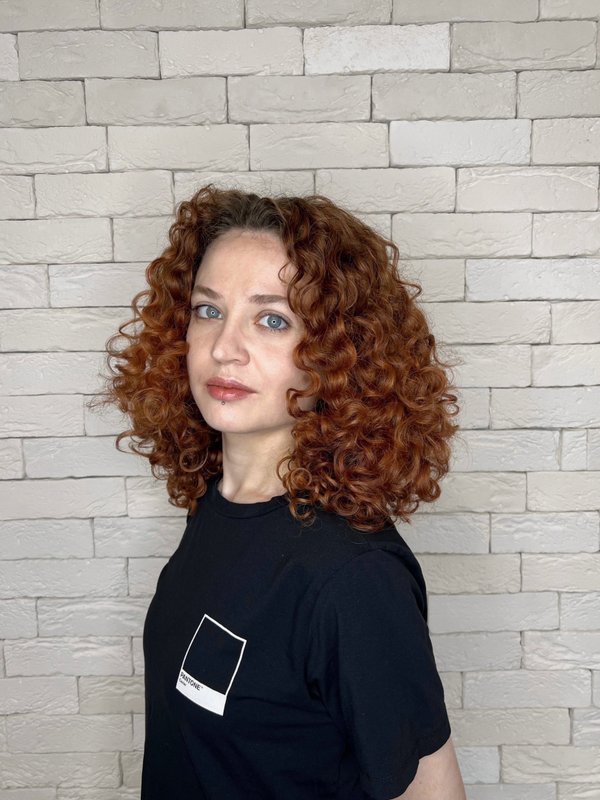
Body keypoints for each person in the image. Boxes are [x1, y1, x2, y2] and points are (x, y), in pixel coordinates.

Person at [89, 184, 466, 799]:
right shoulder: (218, 504)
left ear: (338, 354)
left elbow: (433, 791)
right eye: (208, 310)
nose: (224, 348)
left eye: (272, 320)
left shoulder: (352, 576)